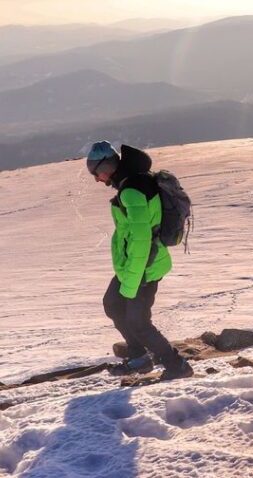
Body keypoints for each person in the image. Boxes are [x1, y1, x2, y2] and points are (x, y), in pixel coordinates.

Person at [87, 140, 193, 380]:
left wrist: (134, 281)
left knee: (138, 321)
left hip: (144, 266)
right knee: (113, 304)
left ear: (110, 165)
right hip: (134, 266)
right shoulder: (132, 182)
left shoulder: (132, 191)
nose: (97, 178)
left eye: (97, 171)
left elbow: (141, 239)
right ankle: (139, 358)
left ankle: (177, 366)